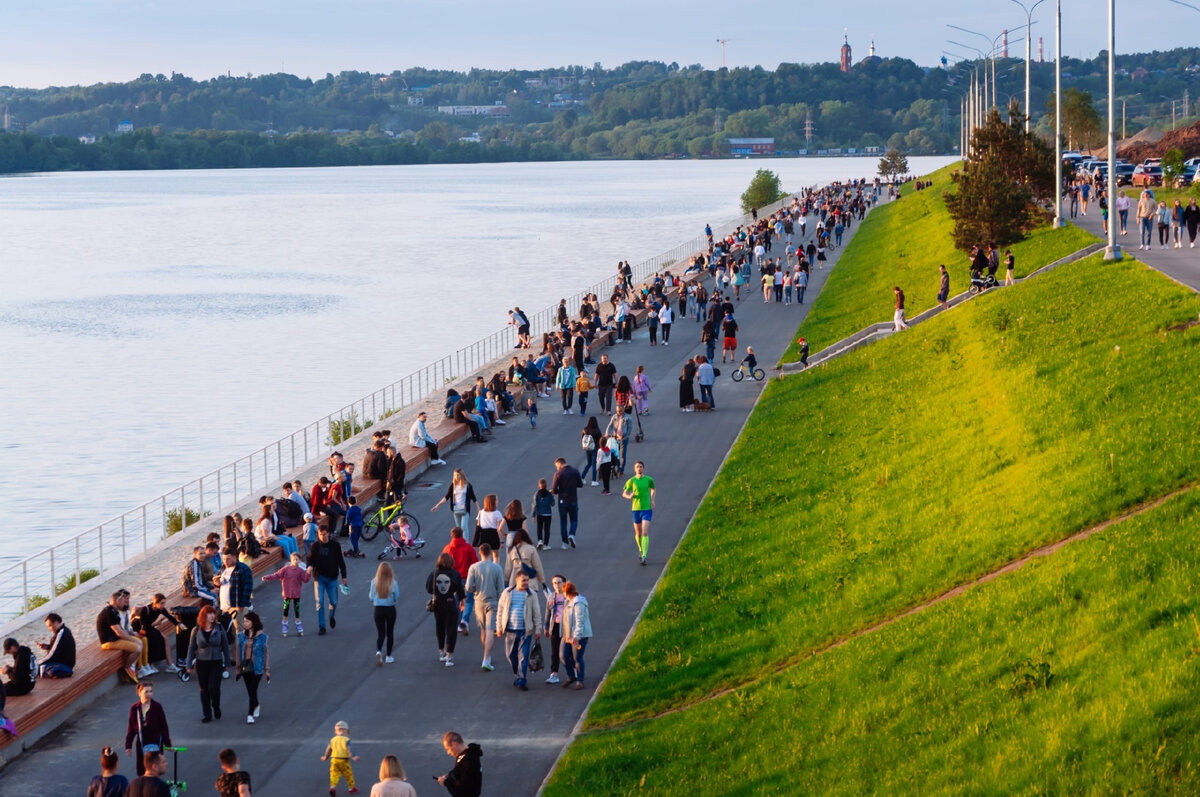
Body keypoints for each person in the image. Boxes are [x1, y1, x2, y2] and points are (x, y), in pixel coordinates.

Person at [496, 570, 542, 691]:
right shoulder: (507, 592)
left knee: (524, 656)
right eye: (524, 580)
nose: (526, 582)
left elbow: (537, 613)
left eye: (527, 580)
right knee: (511, 655)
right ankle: (517, 674)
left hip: (525, 631)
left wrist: (538, 629)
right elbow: (500, 611)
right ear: (516, 580)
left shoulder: (531, 594)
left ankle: (522, 680)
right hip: (510, 630)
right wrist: (499, 627)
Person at [185, 605, 231, 723]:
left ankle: (216, 706)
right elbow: (191, 648)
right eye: (209, 614)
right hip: (201, 663)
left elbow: (225, 646)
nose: (212, 616)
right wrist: (188, 665)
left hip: (216, 662)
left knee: (213, 688)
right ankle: (207, 714)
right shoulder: (196, 630)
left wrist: (227, 661)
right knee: (203, 689)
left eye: (213, 614)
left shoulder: (219, 628)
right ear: (203, 616)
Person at [465, 544, 505, 672]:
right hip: (493, 602)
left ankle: (486, 656)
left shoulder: (474, 567)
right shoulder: (497, 568)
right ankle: (486, 658)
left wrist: (476, 589)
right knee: (490, 630)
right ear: (490, 552)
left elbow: (468, 587)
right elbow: (501, 589)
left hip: (478, 602)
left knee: (483, 630)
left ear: (479, 552)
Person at [307, 525, 348, 635]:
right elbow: (310, 558)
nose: (322, 537)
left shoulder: (335, 545)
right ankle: (322, 626)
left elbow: (341, 561)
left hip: (332, 577)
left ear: (328, 534)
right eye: (320, 535)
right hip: (319, 577)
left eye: (324, 534)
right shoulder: (315, 546)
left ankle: (331, 615)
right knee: (319, 602)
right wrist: (309, 566)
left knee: (334, 601)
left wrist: (344, 576)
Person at [96, 589, 143, 683]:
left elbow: (122, 630)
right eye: (123, 601)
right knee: (137, 648)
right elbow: (119, 633)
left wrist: (133, 635)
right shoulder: (109, 613)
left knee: (140, 642)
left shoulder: (113, 611)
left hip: (115, 638)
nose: (125, 603)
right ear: (117, 601)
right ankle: (127, 668)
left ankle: (133, 667)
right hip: (109, 642)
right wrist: (132, 640)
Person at [124, 681, 170, 776]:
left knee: (155, 768)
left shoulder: (157, 707)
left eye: (151, 691)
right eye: (146, 692)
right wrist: (128, 745)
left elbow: (164, 726)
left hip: (156, 742)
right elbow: (131, 728)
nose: (149, 694)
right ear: (139, 693)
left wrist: (167, 743)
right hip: (142, 743)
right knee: (142, 769)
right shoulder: (134, 708)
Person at [427, 553, 465, 667]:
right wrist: (462, 601)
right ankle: (449, 656)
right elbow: (460, 591)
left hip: (438, 604)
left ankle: (441, 651)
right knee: (451, 629)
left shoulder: (434, 574)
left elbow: (429, 589)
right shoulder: (455, 574)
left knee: (440, 627)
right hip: (450, 603)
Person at [261, 552, 311, 637]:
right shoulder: (285, 569)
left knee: (297, 610)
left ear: (299, 560)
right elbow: (276, 575)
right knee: (286, 610)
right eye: (293, 559)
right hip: (287, 594)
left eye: (297, 559)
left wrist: (309, 573)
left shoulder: (300, 571)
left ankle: (298, 625)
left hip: (296, 594)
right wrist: (267, 577)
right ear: (290, 560)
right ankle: (285, 626)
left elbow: (305, 580)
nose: (295, 560)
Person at [442, 527, 479, 633]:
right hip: (466, 578)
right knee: (469, 600)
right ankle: (464, 620)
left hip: (451, 579)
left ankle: (454, 622)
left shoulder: (447, 548)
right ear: (462, 535)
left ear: (451, 535)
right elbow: (475, 563)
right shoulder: (468, 548)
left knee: (454, 600)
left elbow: (443, 563)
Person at [234, 611, 269, 724]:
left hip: (257, 667)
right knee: (250, 691)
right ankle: (256, 704)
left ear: (253, 622)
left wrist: (267, 670)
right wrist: (238, 668)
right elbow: (238, 653)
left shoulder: (262, 637)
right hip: (246, 666)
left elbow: (266, 653)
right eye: (244, 621)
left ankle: (250, 714)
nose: (245, 623)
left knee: (253, 689)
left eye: (247, 621)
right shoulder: (241, 636)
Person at [622, 461, 656, 566]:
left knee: (645, 532)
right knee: (638, 533)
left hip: (646, 509)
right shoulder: (631, 481)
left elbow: (653, 489)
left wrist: (652, 500)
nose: (639, 469)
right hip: (636, 509)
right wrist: (629, 496)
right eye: (637, 467)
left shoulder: (649, 479)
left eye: (641, 467)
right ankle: (641, 550)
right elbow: (624, 493)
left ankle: (644, 556)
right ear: (634, 469)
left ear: (643, 468)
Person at [560, 580, 592, 691]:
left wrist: (576, 637)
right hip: (567, 635)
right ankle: (571, 676)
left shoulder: (578, 603)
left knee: (577, 658)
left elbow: (580, 621)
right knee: (563, 656)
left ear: (567, 593)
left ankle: (580, 680)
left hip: (579, 636)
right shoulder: (567, 602)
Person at [215, 550, 254, 632]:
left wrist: (242, 605)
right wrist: (217, 583)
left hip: (237, 606)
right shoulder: (223, 568)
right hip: (225, 607)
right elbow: (223, 582)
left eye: (228, 559)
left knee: (240, 630)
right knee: (230, 631)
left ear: (235, 557)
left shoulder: (243, 569)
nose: (225, 561)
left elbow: (248, 587)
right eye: (224, 559)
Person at [369, 562, 400, 666]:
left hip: (378, 609)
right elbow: (397, 597)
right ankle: (389, 656)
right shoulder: (393, 583)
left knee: (381, 633)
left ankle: (378, 651)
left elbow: (371, 597)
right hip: (390, 608)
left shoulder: (374, 582)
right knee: (390, 632)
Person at [436, 731, 483, 797]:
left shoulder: (469, 759)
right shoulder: (464, 755)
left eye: (448, 749)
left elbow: (464, 789)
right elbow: (460, 773)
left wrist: (446, 782)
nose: (448, 753)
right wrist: (448, 777)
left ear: (454, 744)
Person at [551, 457, 583, 549]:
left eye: (557, 466)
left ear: (560, 464)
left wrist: (559, 491)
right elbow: (580, 485)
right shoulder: (575, 471)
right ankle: (572, 534)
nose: (557, 468)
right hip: (573, 500)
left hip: (562, 501)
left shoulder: (558, 474)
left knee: (563, 522)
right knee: (574, 520)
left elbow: (554, 490)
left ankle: (565, 543)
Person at [322, 720, 360, 796]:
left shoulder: (332, 740)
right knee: (348, 774)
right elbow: (349, 749)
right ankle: (352, 788)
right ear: (347, 731)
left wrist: (325, 757)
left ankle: (332, 787)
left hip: (334, 760)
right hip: (344, 760)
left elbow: (328, 749)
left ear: (335, 732)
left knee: (334, 774)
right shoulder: (346, 740)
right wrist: (353, 757)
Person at [543, 575, 568, 685]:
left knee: (568, 651)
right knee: (555, 652)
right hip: (555, 626)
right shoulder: (551, 597)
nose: (557, 585)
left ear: (564, 583)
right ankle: (554, 674)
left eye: (559, 582)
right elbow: (548, 613)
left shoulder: (569, 596)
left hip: (567, 627)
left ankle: (573, 672)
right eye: (554, 583)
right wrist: (546, 627)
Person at [37, 612, 75, 678]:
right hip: (63, 662)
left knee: (38, 668)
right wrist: (47, 647)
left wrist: (37, 663)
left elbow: (51, 655)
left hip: (64, 664)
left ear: (56, 623)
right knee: (38, 669)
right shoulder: (63, 630)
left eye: (50, 625)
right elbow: (59, 648)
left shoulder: (61, 633)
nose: (49, 628)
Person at [579, 416, 602, 486]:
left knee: (589, 464)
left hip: (587, 448)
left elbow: (582, 438)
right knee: (594, 464)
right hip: (594, 448)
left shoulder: (585, 429)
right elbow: (600, 440)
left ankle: (582, 478)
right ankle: (594, 480)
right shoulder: (597, 430)